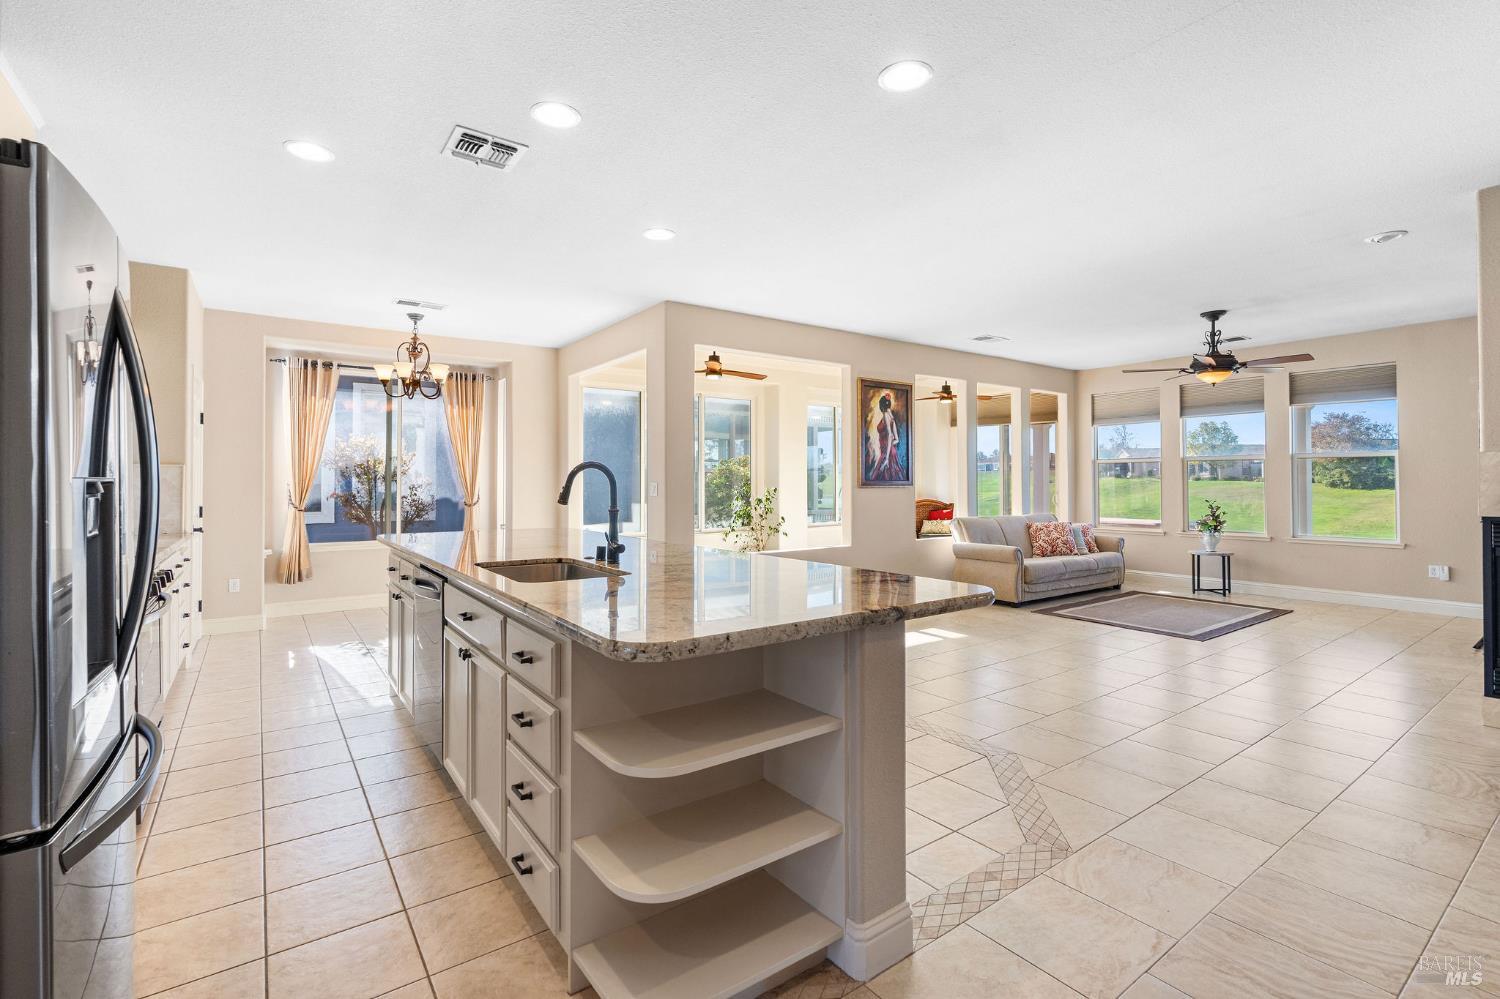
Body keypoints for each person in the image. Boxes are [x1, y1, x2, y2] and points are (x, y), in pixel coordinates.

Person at [865, 389, 903, 481]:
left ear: (881, 405)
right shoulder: (892, 418)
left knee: (881, 477)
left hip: (887, 453)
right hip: (889, 451)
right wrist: (889, 447)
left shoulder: (886, 415)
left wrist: (886, 454)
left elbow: (890, 436)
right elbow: (896, 439)